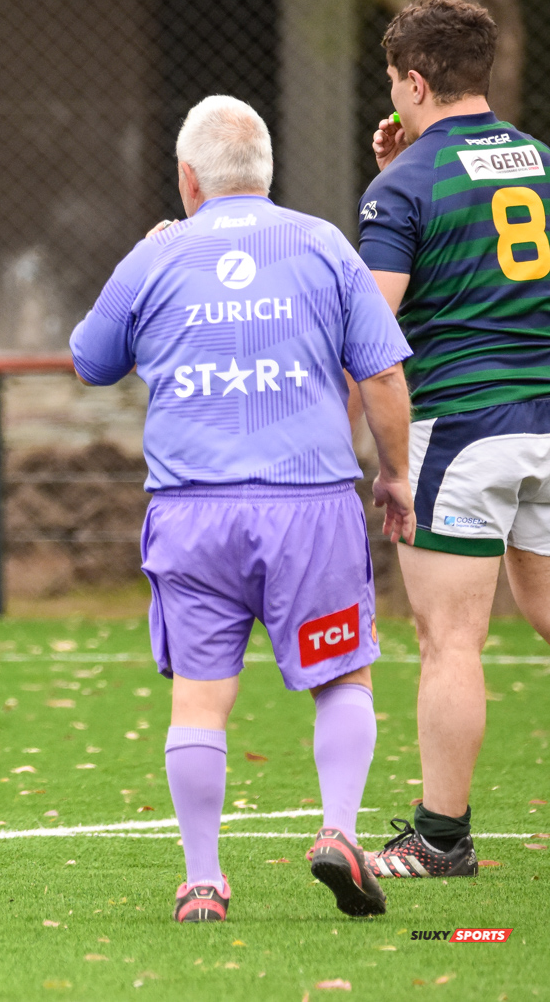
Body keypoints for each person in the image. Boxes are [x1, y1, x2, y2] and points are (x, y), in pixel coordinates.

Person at [70, 95, 416, 922]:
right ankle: (339, 832)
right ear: (265, 172)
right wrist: (396, 474)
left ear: (187, 178)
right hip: (310, 509)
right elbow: (381, 374)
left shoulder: (159, 253)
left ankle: (202, 880)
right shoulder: (323, 244)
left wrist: (144, 257)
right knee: (342, 675)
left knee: (200, 696)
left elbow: (90, 359)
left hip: (193, 513)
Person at [357, 0, 550, 878]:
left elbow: (371, 328)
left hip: (465, 428)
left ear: (413, 81)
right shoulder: (540, 162)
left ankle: (440, 838)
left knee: (451, 639)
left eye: (391, 79)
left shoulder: (404, 185)